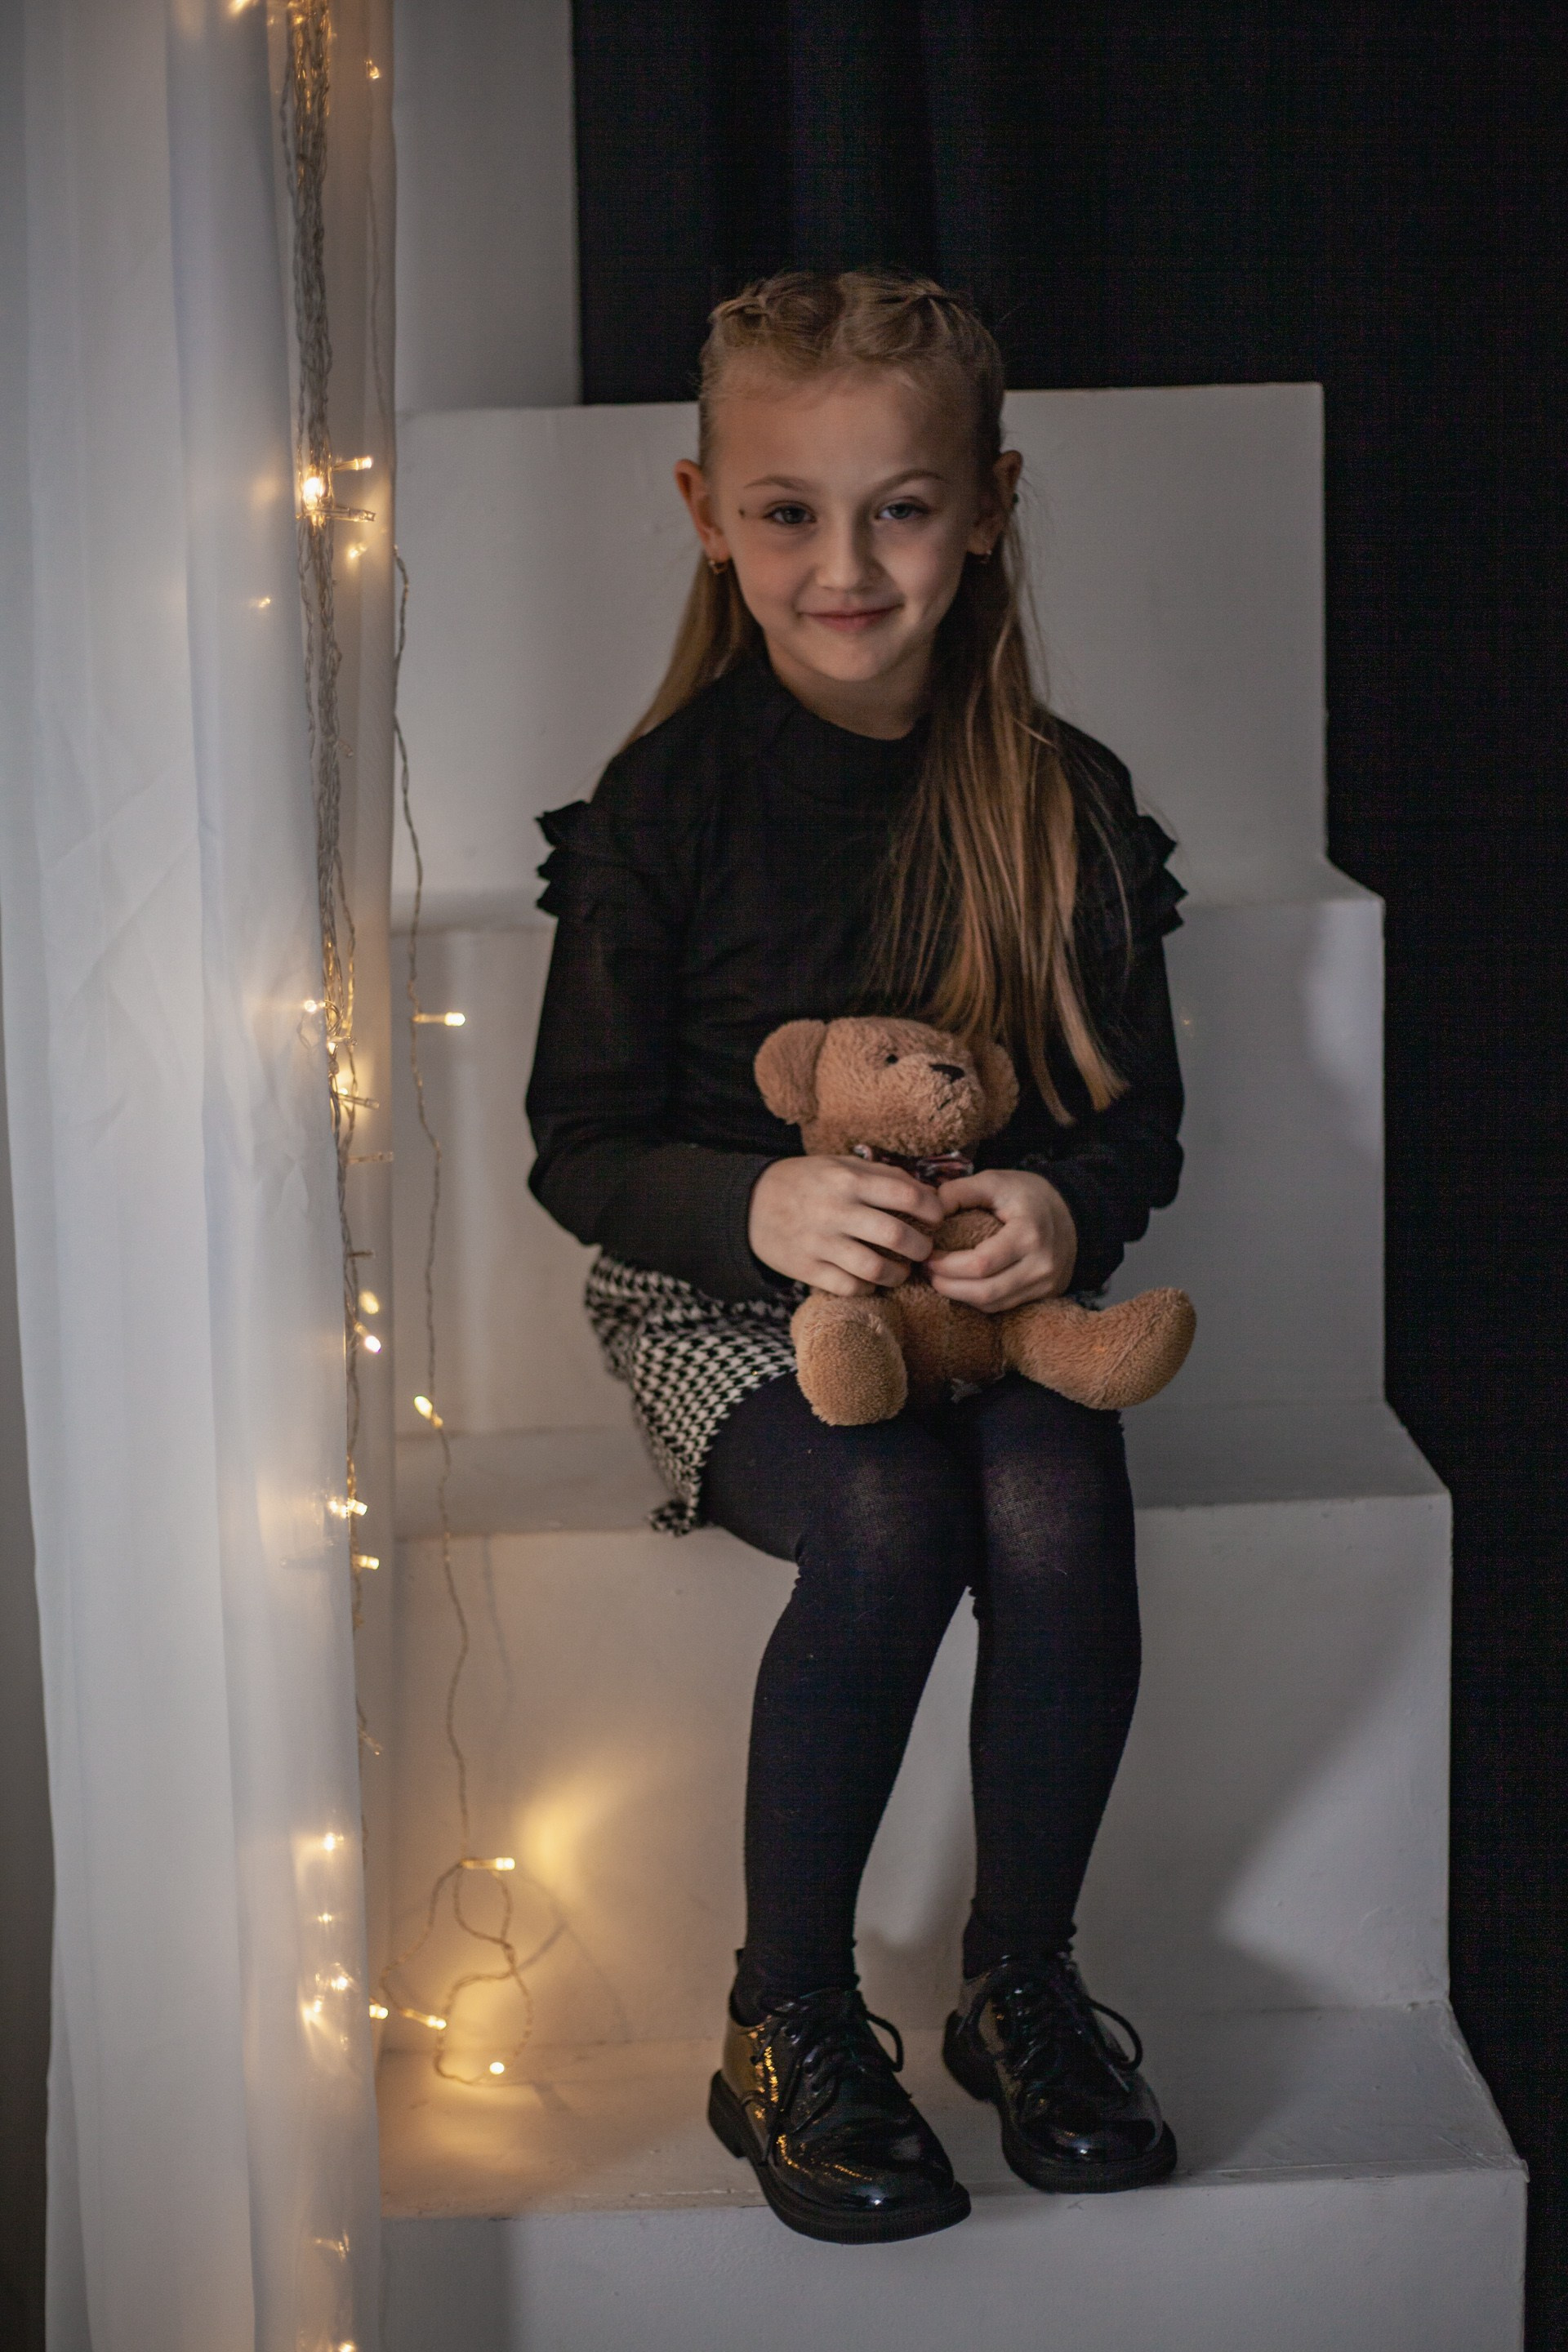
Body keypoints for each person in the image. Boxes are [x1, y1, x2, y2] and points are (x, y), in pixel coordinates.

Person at [526, 270, 1187, 2246]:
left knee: (1062, 1489)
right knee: (893, 1518)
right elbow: (582, 1149)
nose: (845, 565)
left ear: (986, 507)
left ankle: (1020, 1981)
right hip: (713, 1300)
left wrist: (1059, 1210)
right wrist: (756, 1208)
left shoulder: (1062, 800)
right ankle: (786, 2016)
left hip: (975, 1309)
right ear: (706, 513)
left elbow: (1134, 1126)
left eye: (899, 508)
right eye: (788, 512)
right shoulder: (663, 806)